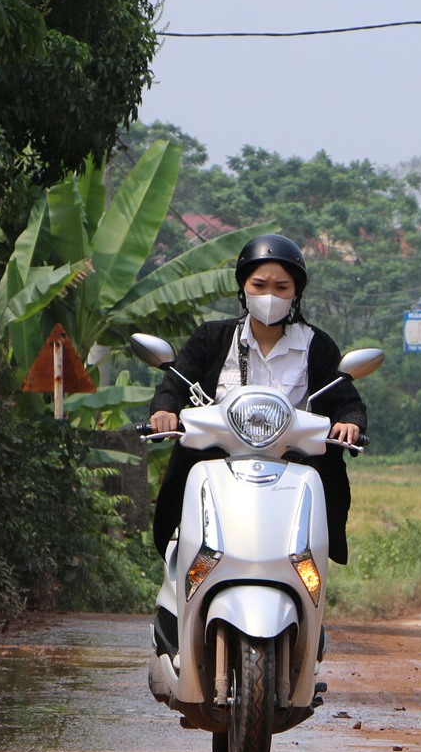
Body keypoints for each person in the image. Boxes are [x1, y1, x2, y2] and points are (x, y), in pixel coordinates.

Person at [147, 234, 367, 563]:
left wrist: (349, 421)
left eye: (281, 287)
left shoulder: (315, 345)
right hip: (218, 464)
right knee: (185, 522)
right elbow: (176, 380)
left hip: (291, 471)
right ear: (243, 287)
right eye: (259, 285)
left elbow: (343, 397)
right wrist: (165, 409)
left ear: (295, 293)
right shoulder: (212, 337)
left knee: (313, 533)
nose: (269, 296)